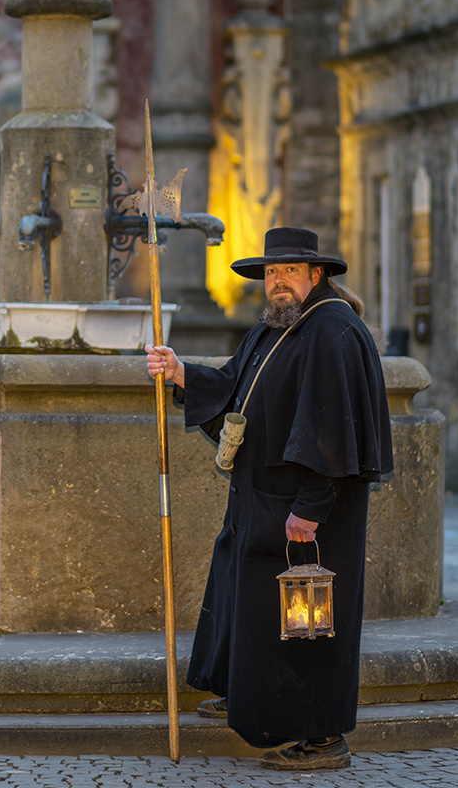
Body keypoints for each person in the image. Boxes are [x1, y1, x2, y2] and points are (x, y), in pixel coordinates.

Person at [145, 226, 392, 771]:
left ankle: (323, 737)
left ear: (315, 274)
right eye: (271, 273)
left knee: (304, 622)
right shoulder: (276, 328)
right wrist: (181, 371)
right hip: (262, 499)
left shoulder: (331, 330)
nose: (277, 282)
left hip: (304, 511)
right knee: (253, 604)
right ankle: (248, 694)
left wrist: (309, 508)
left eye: (289, 272)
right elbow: (237, 387)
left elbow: (332, 429)